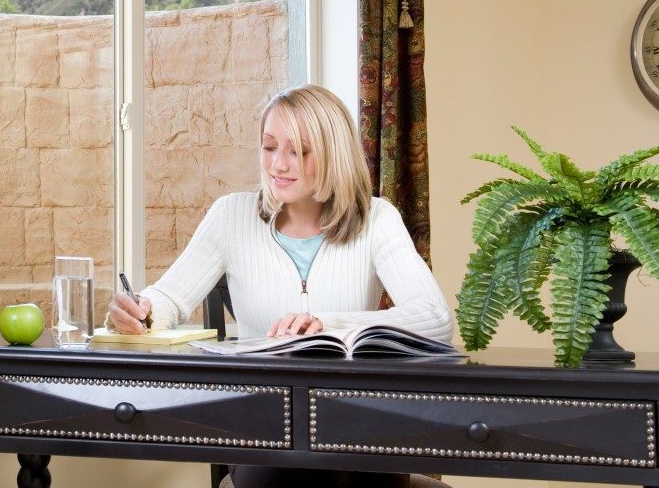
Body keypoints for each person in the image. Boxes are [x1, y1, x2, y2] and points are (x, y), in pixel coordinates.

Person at [106, 83, 453, 488]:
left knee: (351, 463)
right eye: (270, 147)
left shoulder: (377, 220)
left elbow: (435, 318)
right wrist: (142, 309)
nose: (279, 165)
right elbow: (169, 297)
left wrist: (326, 323)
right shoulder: (231, 216)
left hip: (355, 423)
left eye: (299, 151)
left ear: (333, 154)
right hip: (263, 425)